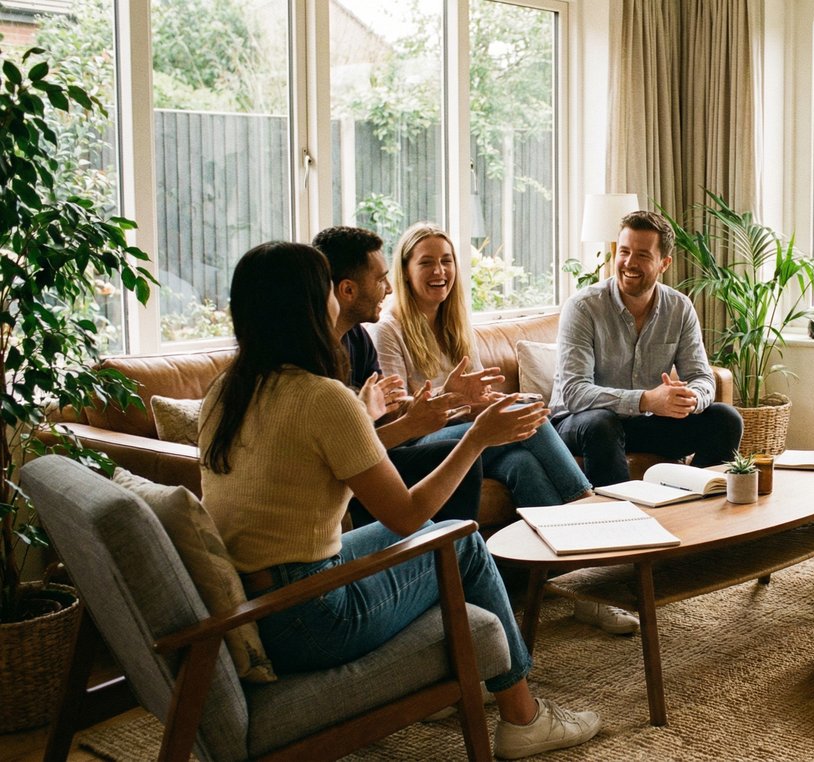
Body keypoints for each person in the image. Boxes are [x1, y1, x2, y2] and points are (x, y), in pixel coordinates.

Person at [199, 242, 601, 759]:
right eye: (326, 290)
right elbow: (410, 515)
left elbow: (331, 459)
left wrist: (419, 426)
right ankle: (523, 718)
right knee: (460, 542)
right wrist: (475, 437)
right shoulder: (323, 396)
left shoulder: (226, 391)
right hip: (310, 616)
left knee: (452, 533)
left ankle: (469, 673)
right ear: (308, 305)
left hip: (262, 598)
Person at [369, 223, 634, 635]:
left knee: (524, 465)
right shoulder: (390, 328)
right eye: (426, 263)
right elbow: (394, 410)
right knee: (527, 405)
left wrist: (485, 402)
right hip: (423, 443)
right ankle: (585, 502)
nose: (439, 271)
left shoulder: (456, 322)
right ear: (405, 271)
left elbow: (477, 396)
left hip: (471, 433)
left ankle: (576, 591)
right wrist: (452, 396)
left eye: (446, 261)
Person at [550, 210, 743, 488]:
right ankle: (619, 523)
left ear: (664, 263)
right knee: (602, 424)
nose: (629, 262)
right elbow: (574, 393)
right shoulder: (583, 307)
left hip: (641, 423)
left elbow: (702, 377)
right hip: (579, 423)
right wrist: (647, 400)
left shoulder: (679, 308)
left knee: (726, 419)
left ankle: (693, 506)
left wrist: (691, 399)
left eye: (642, 255)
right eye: (624, 251)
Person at [313, 225, 487, 525]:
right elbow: (347, 452)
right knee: (459, 452)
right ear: (348, 290)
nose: (390, 288)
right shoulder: (313, 362)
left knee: (519, 449)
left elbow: (386, 411)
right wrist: (414, 420)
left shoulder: (358, 339)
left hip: (372, 453)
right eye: (381, 279)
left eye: (447, 261)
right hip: (351, 470)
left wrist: (444, 398)